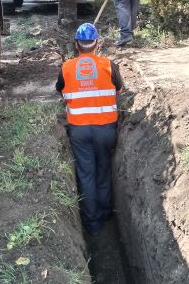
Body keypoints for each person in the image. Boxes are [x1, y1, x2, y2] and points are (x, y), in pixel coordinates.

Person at [56, 23, 124, 236]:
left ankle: (92, 224)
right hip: (106, 130)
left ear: (76, 44)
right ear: (98, 44)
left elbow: (60, 90)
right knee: (103, 171)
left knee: (87, 175)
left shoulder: (66, 67)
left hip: (80, 132)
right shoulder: (109, 65)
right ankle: (105, 214)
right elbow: (119, 90)